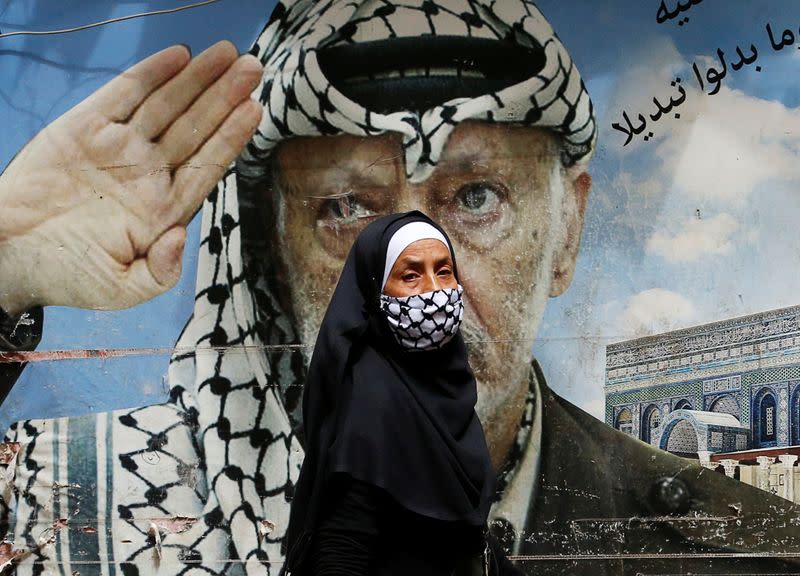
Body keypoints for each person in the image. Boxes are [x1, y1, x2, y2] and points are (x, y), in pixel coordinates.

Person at [0, 0, 798, 574]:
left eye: (476, 198)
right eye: (348, 209)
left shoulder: (744, 552)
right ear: (274, 254)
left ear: (566, 238)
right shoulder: (80, 504)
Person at [283, 210, 519, 575]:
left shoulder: (444, 388)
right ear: (375, 290)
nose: (434, 290)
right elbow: (342, 549)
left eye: (443, 271)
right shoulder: (371, 397)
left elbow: (459, 539)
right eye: (411, 275)